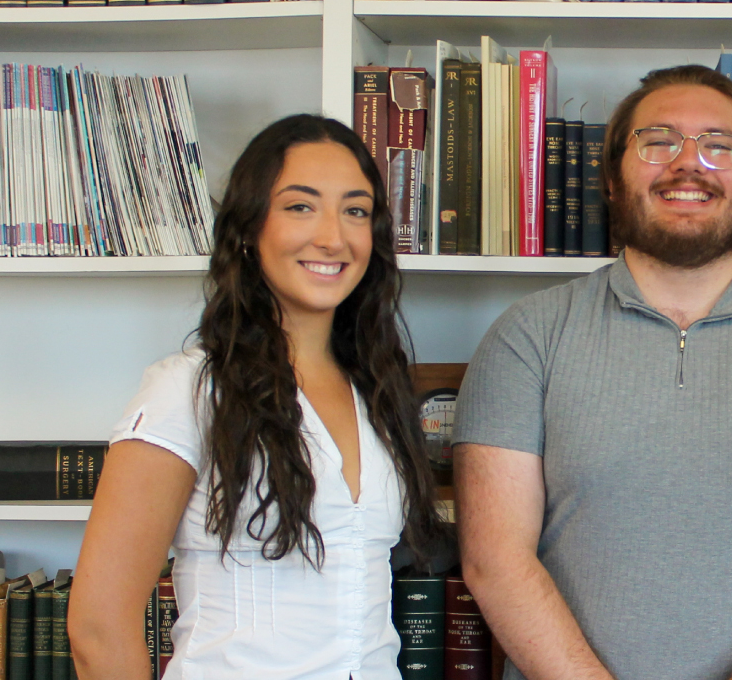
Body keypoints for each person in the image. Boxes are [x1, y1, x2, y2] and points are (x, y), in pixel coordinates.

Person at [453, 64, 732, 680]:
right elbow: (494, 561)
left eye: (721, 146)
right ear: (612, 178)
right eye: (657, 141)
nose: (688, 164)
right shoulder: (524, 337)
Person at [69, 115, 448, 680]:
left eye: (355, 210)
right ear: (249, 229)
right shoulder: (190, 390)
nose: (333, 237)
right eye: (301, 206)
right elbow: (98, 628)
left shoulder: (379, 393)